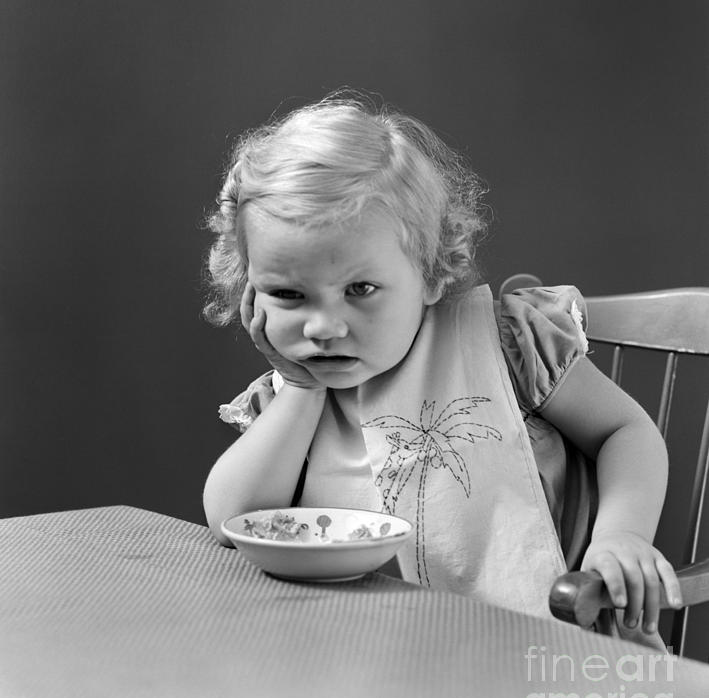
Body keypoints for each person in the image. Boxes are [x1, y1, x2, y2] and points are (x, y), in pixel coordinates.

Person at [202, 92, 681, 644]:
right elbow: (232, 521)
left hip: (547, 661)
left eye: (360, 290)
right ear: (250, 290)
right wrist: (303, 390)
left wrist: (622, 536)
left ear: (431, 274)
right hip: (361, 668)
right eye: (287, 294)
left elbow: (626, 430)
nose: (323, 327)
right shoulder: (288, 401)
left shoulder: (504, 348)